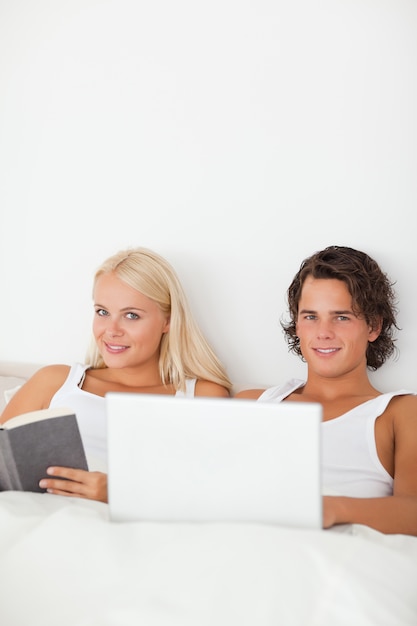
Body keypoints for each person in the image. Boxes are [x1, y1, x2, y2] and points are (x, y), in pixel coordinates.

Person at [1, 247, 232, 502]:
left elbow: (212, 491)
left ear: (168, 321)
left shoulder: (201, 396)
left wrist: (120, 492)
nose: (111, 330)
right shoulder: (55, 382)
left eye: (131, 315)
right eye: (102, 312)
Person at [235, 245, 417, 536]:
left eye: (341, 317)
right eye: (311, 316)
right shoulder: (253, 403)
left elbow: (413, 512)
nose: (323, 332)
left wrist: (331, 509)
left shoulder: (399, 413)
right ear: (297, 325)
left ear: (373, 326)